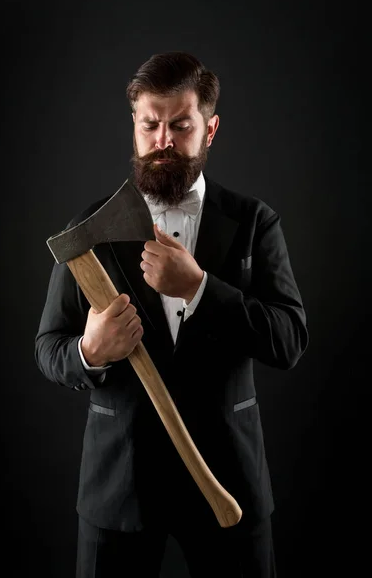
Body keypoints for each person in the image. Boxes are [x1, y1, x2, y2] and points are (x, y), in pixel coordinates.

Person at [34, 51, 309, 578]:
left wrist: (202, 289)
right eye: (150, 125)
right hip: (118, 488)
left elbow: (291, 339)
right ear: (134, 127)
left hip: (227, 484)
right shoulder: (88, 230)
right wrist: (90, 351)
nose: (163, 141)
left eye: (180, 125)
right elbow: (49, 348)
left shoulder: (254, 223)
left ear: (210, 128)